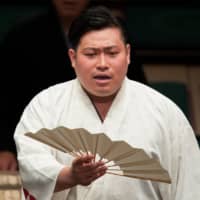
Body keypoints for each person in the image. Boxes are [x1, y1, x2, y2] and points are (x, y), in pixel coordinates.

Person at [14, 6, 200, 200]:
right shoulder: (45, 106)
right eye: (91, 54)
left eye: (112, 53)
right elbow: (31, 167)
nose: (102, 63)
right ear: (73, 57)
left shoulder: (164, 112)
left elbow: (189, 186)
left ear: (127, 54)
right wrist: (71, 175)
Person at [0, 0, 90, 171]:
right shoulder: (23, 35)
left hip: (96, 148)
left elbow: (132, 95)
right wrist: (4, 147)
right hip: (33, 149)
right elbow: (4, 97)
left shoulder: (111, 34)